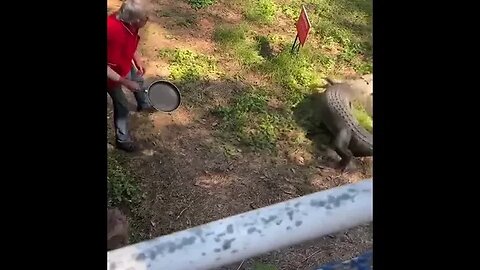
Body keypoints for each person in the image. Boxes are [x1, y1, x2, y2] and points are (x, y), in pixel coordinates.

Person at [107, 0, 155, 152]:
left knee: (138, 79)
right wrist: (125, 82)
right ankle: (123, 140)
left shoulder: (129, 22)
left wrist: (137, 61)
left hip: (122, 64)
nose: (148, 20)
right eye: (145, 18)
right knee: (122, 105)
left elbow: (130, 41)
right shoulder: (111, 32)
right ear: (135, 20)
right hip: (110, 76)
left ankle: (144, 104)